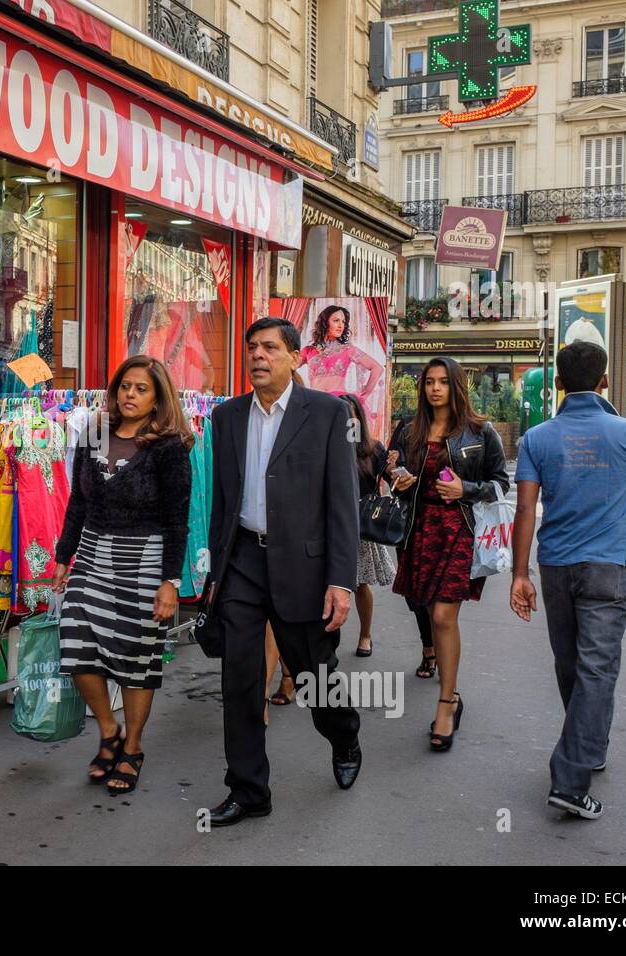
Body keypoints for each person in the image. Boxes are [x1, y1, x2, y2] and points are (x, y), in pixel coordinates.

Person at [197, 317, 361, 827]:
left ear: (293, 356)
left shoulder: (328, 414)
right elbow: (222, 503)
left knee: (313, 677)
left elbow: (342, 503)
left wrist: (341, 580)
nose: (258, 356)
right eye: (251, 348)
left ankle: (344, 732)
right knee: (240, 680)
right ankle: (249, 790)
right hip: (243, 562)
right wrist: (216, 571)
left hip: (303, 567)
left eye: (269, 347)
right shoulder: (226, 418)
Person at [510, 341, 626, 820]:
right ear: (605, 382)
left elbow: (524, 509)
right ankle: (572, 781)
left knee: (571, 664)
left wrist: (520, 572)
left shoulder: (537, 438)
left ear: (557, 384)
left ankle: (587, 749)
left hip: (555, 565)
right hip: (605, 567)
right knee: (596, 670)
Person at [53, 355, 193, 795]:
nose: (129, 396)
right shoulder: (94, 433)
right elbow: (78, 501)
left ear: (158, 398)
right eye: (124, 387)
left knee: (136, 661)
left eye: (141, 389)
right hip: (92, 554)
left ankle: (131, 748)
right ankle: (108, 730)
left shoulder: (169, 448)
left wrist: (170, 581)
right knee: (75, 648)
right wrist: (63, 555)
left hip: (143, 561)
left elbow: (177, 520)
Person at [389, 357, 509, 752]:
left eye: (442, 382)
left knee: (443, 614)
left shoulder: (480, 431)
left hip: (459, 529)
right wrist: (399, 477)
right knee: (426, 610)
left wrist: (466, 489)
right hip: (420, 529)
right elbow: (393, 474)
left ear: (456, 386)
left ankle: (448, 701)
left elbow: (499, 485)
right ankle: (448, 692)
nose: (434, 389)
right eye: (428, 382)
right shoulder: (408, 429)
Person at [342, 393, 395, 657]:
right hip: (332, 524)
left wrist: (399, 470)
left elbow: (394, 478)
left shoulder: (373, 449)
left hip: (362, 525)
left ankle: (365, 634)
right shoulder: (328, 446)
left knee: (361, 584)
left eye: (348, 413)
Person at [298, 305, 384, 434]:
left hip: (339, 405)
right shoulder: (308, 351)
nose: (341, 325)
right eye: (336, 320)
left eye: (343, 322)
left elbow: (377, 368)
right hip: (315, 404)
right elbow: (287, 368)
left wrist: (363, 396)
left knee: (341, 444)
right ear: (325, 322)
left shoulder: (347, 349)